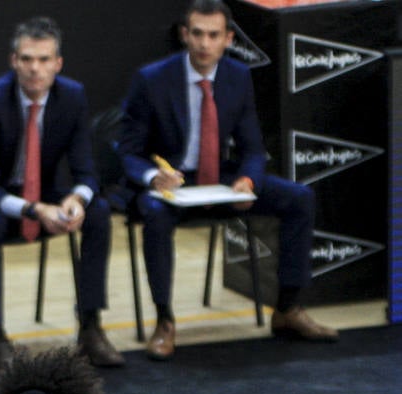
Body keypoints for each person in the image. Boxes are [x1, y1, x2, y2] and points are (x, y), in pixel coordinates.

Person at [117, 0, 338, 361]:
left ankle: (287, 308)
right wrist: (153, 175)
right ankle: (165, 321)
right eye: (198, 34)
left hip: (219, 176)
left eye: (214, 36)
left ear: (228, 39)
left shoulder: (238, 75)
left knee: (299, 198)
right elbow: (126, 151)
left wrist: (247, 180)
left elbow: (253, 146)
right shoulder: (153, 79)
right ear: (185, 35)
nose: (205, 44)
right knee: (154, 217)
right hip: (169, 182)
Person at [0, 17, 122, 374]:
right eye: (27, 59)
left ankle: (90, 326)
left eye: (44, 59)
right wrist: (33, 209)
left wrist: (76, 199)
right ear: (14, 60)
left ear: (58, 64)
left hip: (42, 194)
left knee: (99, 212)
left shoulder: (71, 96)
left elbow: (86, 169)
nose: (35, 68)